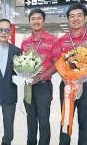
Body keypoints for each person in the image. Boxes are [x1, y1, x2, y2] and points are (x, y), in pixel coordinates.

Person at [58, 3, 87, 145]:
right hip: (67, 86)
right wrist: (66, 78)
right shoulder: (62, 40)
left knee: (85, 123)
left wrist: (84, 77)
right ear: (68, 19)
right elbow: (58, 64)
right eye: (72, 16)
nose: (75, 19)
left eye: (79, 15)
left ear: (85, 17)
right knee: (65, 124)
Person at [21, 9, 61, 145]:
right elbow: (21, 64)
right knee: (30, 118)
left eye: (39, 18)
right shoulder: (25, 42)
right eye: (33, 19)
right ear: (29, 21)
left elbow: (57, 65)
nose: (36, 21)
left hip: (44, 86)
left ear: (43, 21)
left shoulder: (53, 40)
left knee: (43, 119)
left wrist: (40, 77)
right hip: (27, 87)